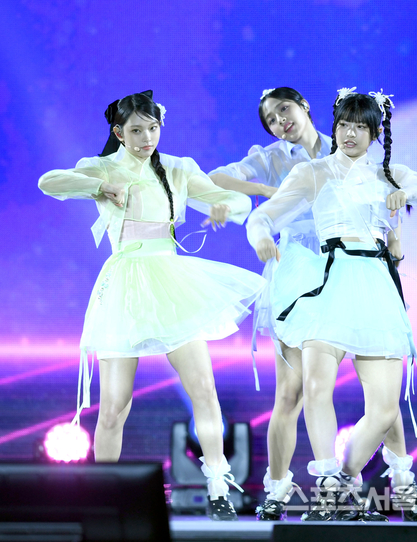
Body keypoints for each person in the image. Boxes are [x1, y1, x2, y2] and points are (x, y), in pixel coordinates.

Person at [38, 91, 266, 521]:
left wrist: (226, 205)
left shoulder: (178, 168)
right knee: (114, 405)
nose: (147, 138)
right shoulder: (103, 166)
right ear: (119, 132)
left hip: (172, 282)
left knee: (203, 387)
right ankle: (103, 494)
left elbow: (231, 198)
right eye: (137, 130)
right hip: (125, 284)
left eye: (153, 128)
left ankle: (218, 486)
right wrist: (100, 186)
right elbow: (48, 182)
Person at [210, 87, 417, 521]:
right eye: (270, 119)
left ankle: (400, 482)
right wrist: (265, 191)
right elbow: (220, 179)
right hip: (301, 271)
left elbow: (390, 203)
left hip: (357, 267)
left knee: (382, 387)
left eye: (284, 110)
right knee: (293, 391)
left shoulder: (348, 145)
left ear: (305, 107)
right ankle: (280, 488)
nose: (280, 121)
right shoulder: (275, 159)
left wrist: (395, 236)